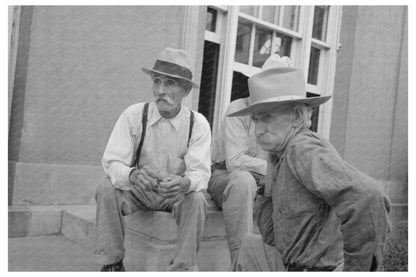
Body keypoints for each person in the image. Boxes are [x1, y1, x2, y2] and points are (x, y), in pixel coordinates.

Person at [229, 66, 391, 271]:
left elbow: (369, 197)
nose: (258, 131)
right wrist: (268, 184)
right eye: (256, 120)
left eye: (267, 117)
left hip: (318, 268)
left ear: (296, 116)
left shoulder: (302, 148)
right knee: (250, 247)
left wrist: (358, 270)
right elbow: (273, 237)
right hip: (294, 261)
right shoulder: (281, 152)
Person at [94, 47, 211, 271]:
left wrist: (184, 183)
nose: (160, 90)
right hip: (140, 191)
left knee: (197, 199)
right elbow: (112, 162)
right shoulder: (134, 115)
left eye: (169, 84)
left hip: (174, 196)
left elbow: (201, 173)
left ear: (185, 90)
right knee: (105, 188)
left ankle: (183, 268)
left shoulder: (198, 123)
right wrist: (133, 175)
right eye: (156, 81)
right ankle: (112, 263)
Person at [209, 55, 290, 265]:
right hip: (223, 176)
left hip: (261, 180)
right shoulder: (239, 108)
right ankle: (240, 263)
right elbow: (234, 161)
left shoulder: (280, 118)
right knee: (243, 180)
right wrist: (274, 169)